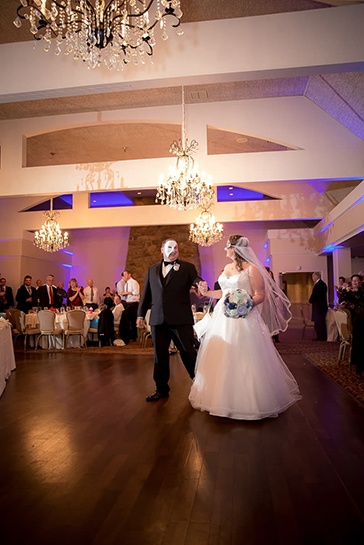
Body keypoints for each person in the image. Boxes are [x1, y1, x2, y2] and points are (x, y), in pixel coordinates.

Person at [189, 235, 301, 420]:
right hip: (222, 319)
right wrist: (207, 292)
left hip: (244, 319)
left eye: (227, 247)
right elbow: (223, 292)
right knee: (222, 356)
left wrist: (243, 305)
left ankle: (249, 402)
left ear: (236, 249)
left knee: (245, 358)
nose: (225, 250)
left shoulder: (252, 269)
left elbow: (260, 295)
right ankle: (221, 400)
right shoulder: (226, 268)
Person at [137, 239, 199, 401]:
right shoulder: (152, 270)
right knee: (160, 356)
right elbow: (146, 295)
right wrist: (140, 314)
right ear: (162, 250)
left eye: (176, 247)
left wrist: (201, 284)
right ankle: (161, 389)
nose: (174, 250)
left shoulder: (187, 268)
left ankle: (201, 385)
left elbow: (196, 279)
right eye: (170, 247)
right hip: (158, 320)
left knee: (188, 352)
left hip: (180, 320)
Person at [338, 274, 364, 377]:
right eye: (353, 281)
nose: (355, 282)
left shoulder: (363, 292)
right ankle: (359, 366)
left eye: (357, 281)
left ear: (361, 282)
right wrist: (344, 289)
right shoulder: (348, 293)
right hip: (354, 321)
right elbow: (340, 298)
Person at [120, 270, 140, 341]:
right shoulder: (126, 284)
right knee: (127, 320)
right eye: (123, 275)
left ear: (129, 275)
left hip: (133, 303)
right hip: (127, 303)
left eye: (125, 274)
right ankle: (128, 335)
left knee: (133, 320)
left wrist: (127, 293)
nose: (124, 276)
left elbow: (136, 292)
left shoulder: (134, 282)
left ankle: (134, 336)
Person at [309, 272, 328, 341]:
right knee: (319, 322)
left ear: (315, 277)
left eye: (312, 277)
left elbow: (315, 294)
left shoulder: (319, 285)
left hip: (319, 307)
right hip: (320, 307)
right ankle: (321, 336)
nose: (312, 279)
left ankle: (321, 336)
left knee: (319, 322)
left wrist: (310, 300)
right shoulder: (322, 284)